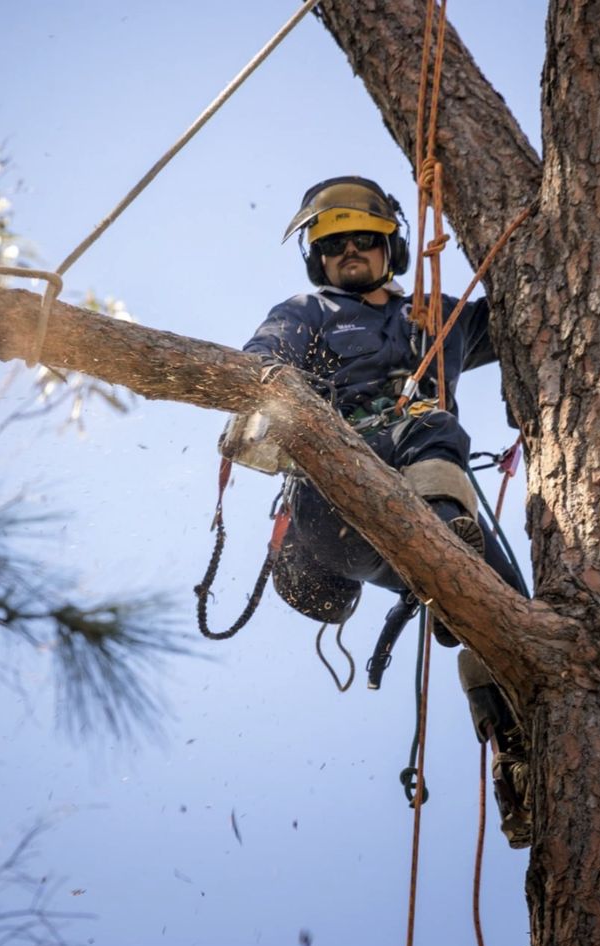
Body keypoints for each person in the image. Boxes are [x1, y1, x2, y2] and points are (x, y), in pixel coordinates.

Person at [241, 176, 530, 847]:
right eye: (334, 243)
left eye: (364, 240)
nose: (349, 252)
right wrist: (259, 401)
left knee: (510, 602)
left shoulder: (440, 314)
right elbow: (257, 362)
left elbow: (529, 302)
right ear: (317, 257)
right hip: (335, 490)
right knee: (427, 421)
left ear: (390, 248)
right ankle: (442, 536)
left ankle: (517, 754)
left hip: (423, 494)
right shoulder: (307, 311)